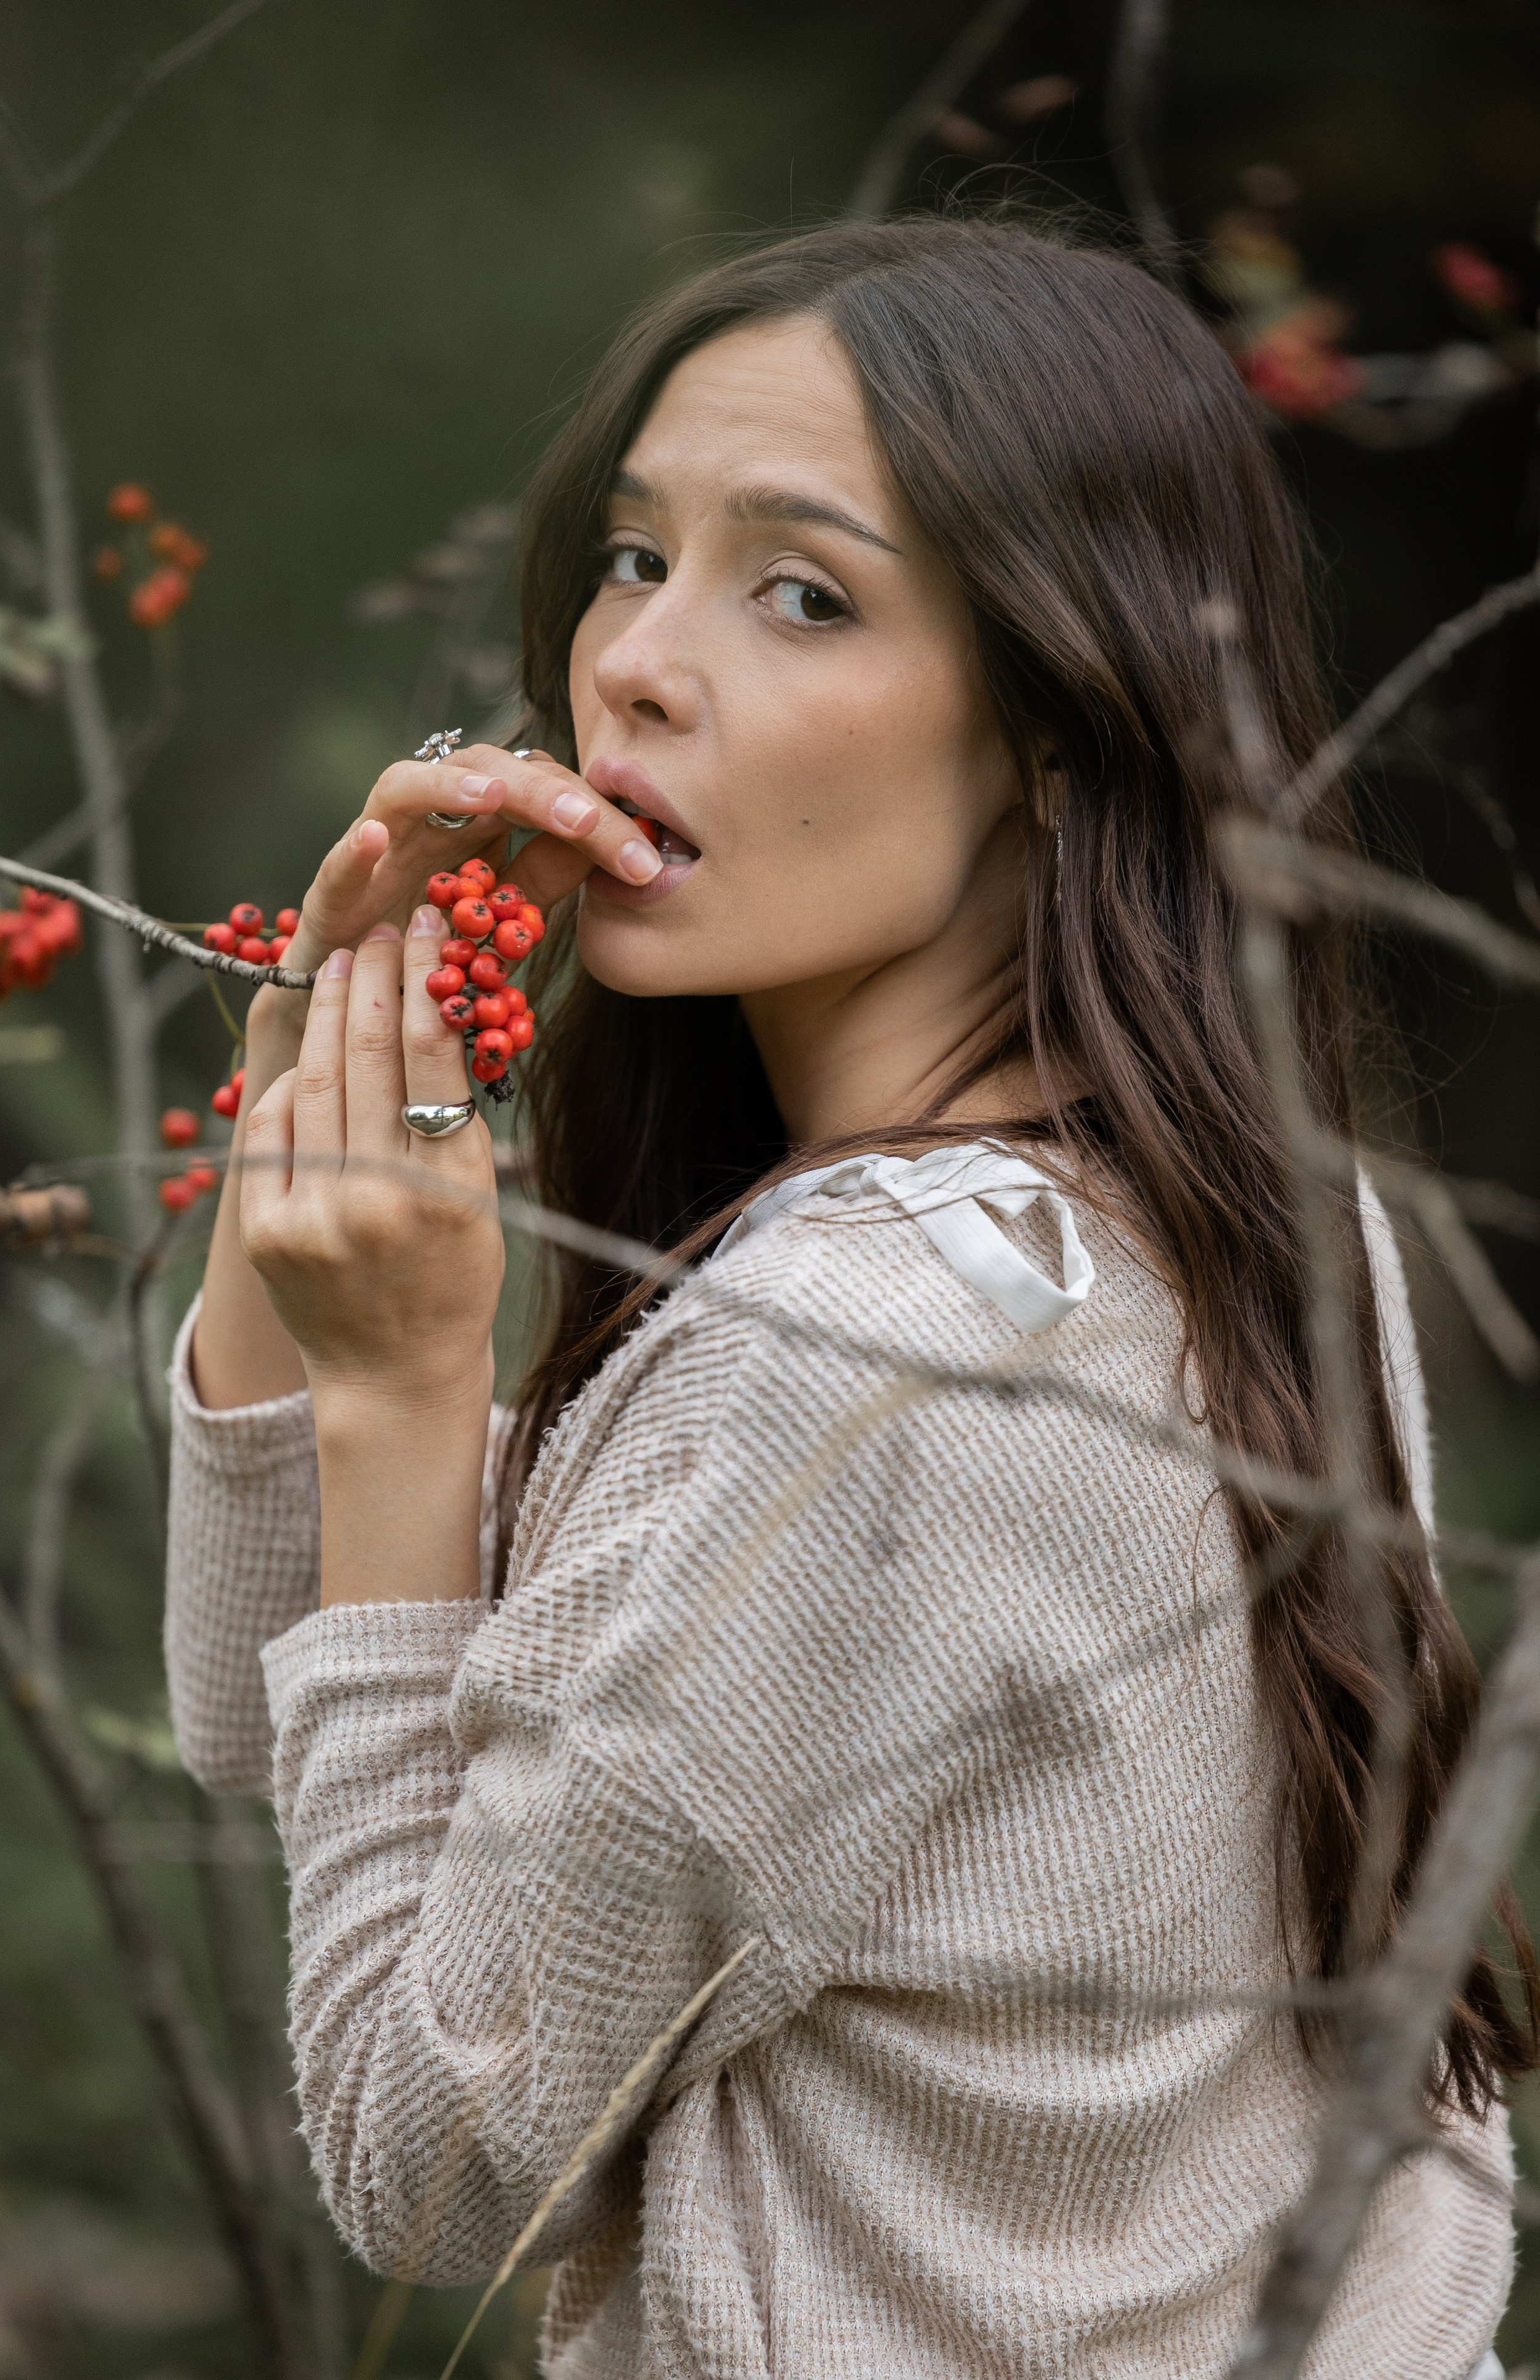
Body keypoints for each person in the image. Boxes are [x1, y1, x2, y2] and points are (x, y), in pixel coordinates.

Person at [165, 217, 1534, 2379]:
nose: (632, 665)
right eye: (635, 559)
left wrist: (414, 1392)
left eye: (803, 594)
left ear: (1064, 729)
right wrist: (299, 1209)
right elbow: (293, 1724)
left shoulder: (852, 1362)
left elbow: (429, 2153)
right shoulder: (1249, 1209)